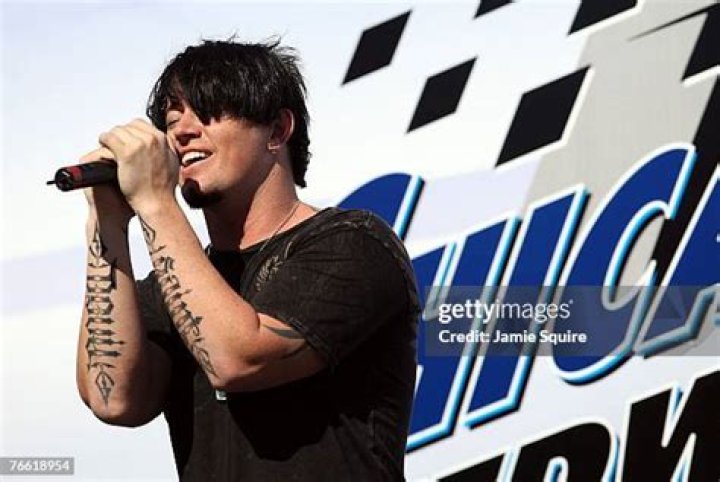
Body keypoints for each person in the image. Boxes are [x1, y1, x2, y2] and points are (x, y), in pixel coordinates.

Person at [75, 38, 420, 481]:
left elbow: (238, 360)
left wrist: (156, 203)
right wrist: (106, 221)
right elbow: (114, 399)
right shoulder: (166, 288)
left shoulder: (353, 243)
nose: (182, 132)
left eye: (207, 111)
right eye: (172, 120)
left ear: (277, 130)